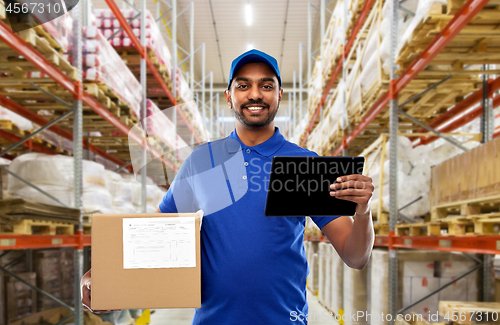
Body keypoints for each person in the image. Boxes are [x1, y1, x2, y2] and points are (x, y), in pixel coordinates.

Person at [81, 49, 375, 324]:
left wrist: (363, 212)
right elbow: (154, 237)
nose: (255, 94)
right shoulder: (202, 161)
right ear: (229, 96)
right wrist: (105, 278)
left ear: (279, 95)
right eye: (243, 85)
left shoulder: (304, 166)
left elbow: (355, 256)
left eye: (267, 85)